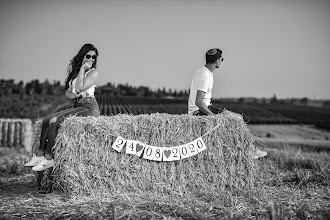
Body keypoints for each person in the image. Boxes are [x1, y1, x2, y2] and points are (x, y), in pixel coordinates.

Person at [25, 43, 101, 171]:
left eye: (94, 57)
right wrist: (76, 95)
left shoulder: (92, 73)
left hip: (89, 107)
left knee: (55, 121)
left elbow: (79, 88)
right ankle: (39, 155)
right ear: (82, 55)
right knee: (46, 120)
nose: (91, 60)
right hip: (78, 104)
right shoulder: (76, 73)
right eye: (88, 56)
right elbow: (68, 92)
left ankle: (49, 159)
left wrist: (83, 70)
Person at [188, 48, 267, 159]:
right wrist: (214, 117)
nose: (222, 61)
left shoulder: (200, 71)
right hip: (199, 111)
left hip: (198, 109)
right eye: (222, 59)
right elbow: (199, 102)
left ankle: (249, 149)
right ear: (217, 61)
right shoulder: (206, 76)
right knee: (238, 118)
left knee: (237, 117)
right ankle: (249, 150)